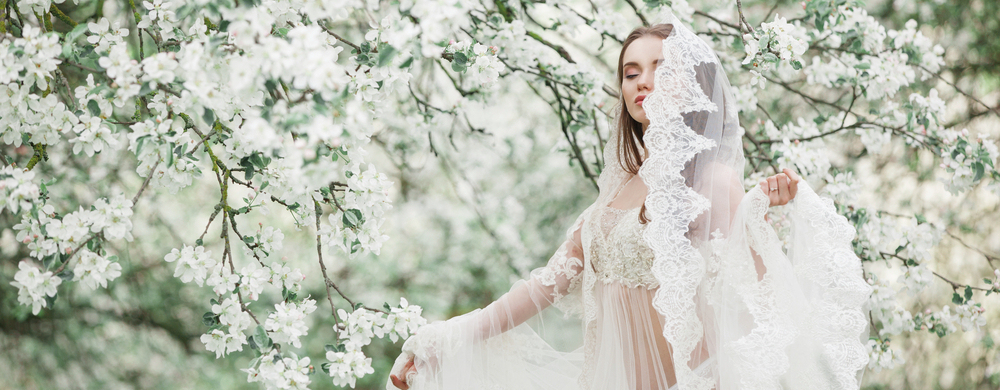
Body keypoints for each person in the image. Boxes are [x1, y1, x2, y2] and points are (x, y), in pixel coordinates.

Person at [388, 14, 872, 390]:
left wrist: (764, 213)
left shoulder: (713, 182)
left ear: (692, 83)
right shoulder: (616, 193)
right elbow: (541, 288)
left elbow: (758, 303)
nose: (642, 82)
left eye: (660, 68)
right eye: (630, 72)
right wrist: (447, 337)